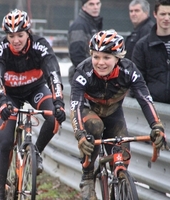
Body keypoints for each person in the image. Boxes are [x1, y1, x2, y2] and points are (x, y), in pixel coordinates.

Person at [70, 29, 168, 200]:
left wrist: (156, 125)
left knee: (122, 159)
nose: (100, 63)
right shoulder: (83, 71)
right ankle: (87, 176)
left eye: (107, 57)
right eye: (96, 57)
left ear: (118, 58)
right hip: (88, 112)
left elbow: (145, 99)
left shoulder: (129, 70)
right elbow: (75, 105)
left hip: (114, 114)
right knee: (95, 126)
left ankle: (120, 184)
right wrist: (80, 134)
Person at [0, 9, 66, 200]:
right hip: (10, 95)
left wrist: (58, 101)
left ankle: (36, 153)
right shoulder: (0, 48)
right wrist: (3, 101)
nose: (15, 40)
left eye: (20, 35)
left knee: (54, 117)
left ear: (28, 32)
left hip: (35, 89)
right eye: (11, 35)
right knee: (5, 142)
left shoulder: (40, 46)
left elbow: (53, 73)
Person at [132, 0, 170, 104]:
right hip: (153, 107)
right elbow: (136, 80)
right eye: (163, 14)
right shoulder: (142, 46)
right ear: (155, 14)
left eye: (169, 14)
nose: (166, 18)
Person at [67, 0, 103, 85]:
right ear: (84, 6)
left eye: (98, 4)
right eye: (91, 4)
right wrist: (91, 74)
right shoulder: (79, 26)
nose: (95, 7)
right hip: (84, 76)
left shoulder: (94, 24)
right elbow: (77, 56)